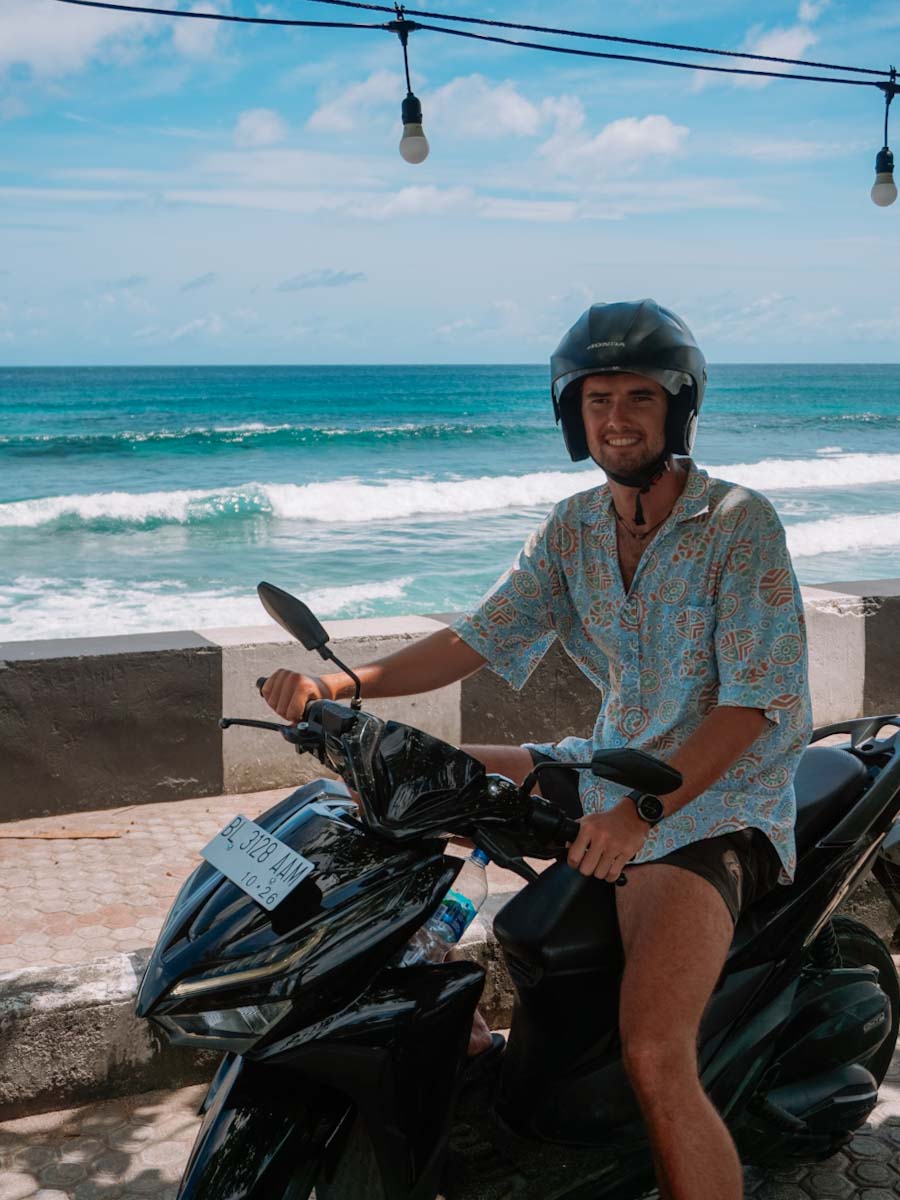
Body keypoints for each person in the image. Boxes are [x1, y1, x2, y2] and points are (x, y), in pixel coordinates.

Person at [261, 299, 812, 1200]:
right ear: (572, 413)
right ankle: (468, 1057)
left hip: (713, 802)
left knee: (655, 1056)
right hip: (608, 762)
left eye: (640, 396)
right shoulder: (575, 528)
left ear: (678, 408)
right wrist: (342, 687)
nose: (618, 418)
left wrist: (642, 815)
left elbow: (754, 705)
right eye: (598, 399)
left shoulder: (739, 524)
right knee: (414, 784)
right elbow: (475, 637)